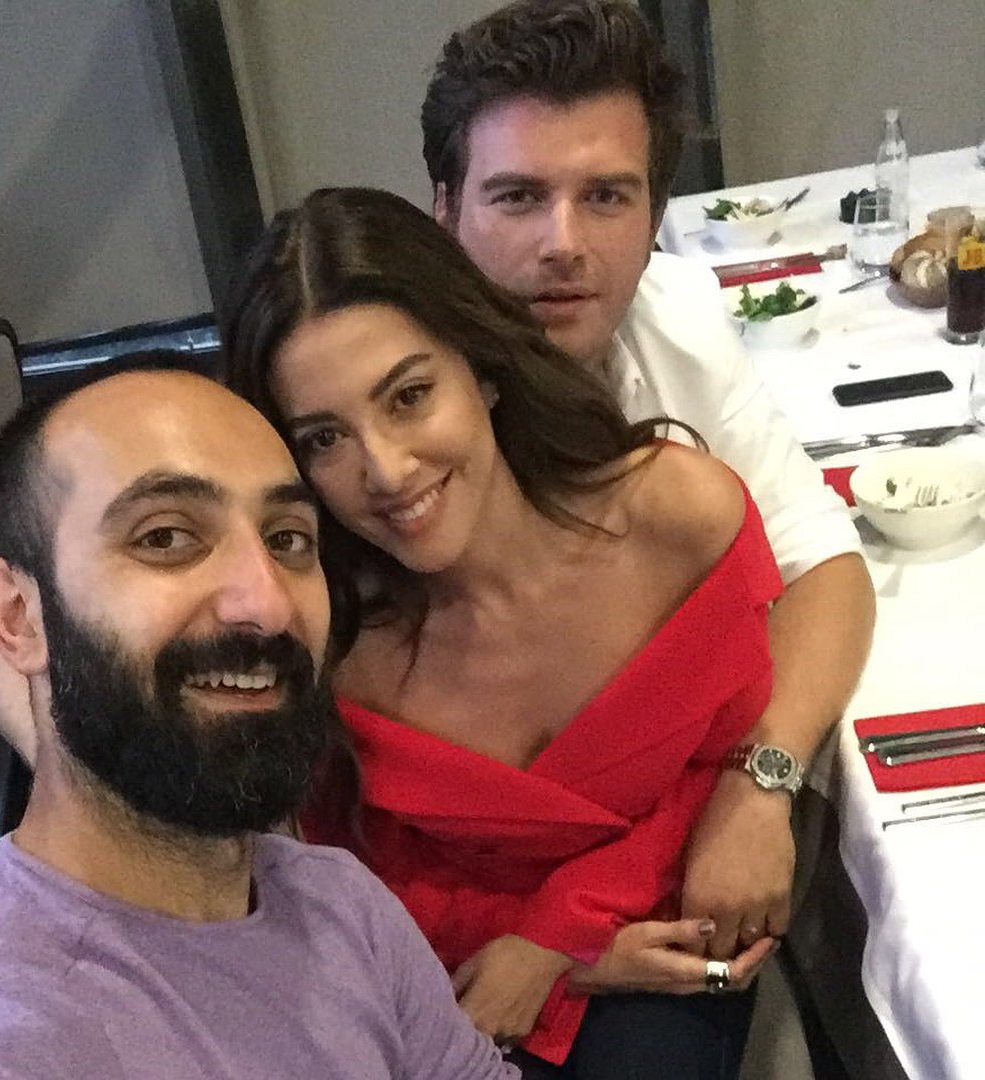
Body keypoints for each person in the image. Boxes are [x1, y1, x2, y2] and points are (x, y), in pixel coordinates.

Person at [223, 186, 778, 1076]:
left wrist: (564, 934)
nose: (386, 470)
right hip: (460, 973)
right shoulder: (328, 641)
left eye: (409, 396)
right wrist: (554, 956)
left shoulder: (677, 516)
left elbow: (724, 761)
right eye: (324, 439)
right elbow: (356, 890)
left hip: (663, 925)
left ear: (481, 368)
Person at [420, 0, 875, 963]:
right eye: (517, 197)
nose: (564, 243)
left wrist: (759, 782)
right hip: (448, 896)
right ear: (444, 209)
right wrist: (566, 952)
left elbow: (824, 565)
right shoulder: (379, 400)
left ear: (656, 215)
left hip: (654, 847)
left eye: (606, 197)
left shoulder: (675, 317)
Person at [0, 365, 517, 1080]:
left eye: (287, 539)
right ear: (18, 617)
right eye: (165, 537)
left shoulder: (340, 902)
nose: (268, 605)